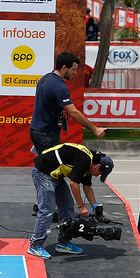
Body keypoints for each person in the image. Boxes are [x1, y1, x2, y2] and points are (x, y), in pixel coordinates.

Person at [29, 51, 106, 213]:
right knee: (48, 172)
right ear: (64, 67)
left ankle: (43, 205)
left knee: (48, 169)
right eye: (73, 69)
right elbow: (73, 112)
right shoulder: (59, 85)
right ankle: (46, 208)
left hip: (38, 131)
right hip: (46, 135)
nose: (75, 73)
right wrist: (94, 128)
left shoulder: (45, 78)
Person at [27, 143, 114, 259]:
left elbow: (87, 187)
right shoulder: (85, 160)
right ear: (97, 166)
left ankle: (64, 243)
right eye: (99, 173)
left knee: (67, 206)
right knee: (47, 210)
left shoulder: (89, 164)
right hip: (43, 173)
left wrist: (95, 206)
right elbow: (74, 184)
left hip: (55, 175)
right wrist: (82, 206)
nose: (98, 176)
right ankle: (35, 245)